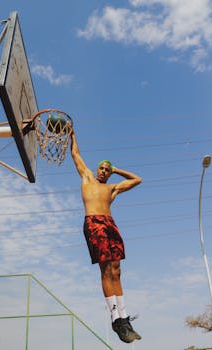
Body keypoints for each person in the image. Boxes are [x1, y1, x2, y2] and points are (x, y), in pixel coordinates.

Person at [70, 129, 142, 343]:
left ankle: (124, 316)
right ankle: (115, 318)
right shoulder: (87, 179)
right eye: (101, 168)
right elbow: (75, 154)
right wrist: (72, 136)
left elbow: (137, 179)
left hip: (110, 224)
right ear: (96, 169)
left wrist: (117, 169)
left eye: (107, 169)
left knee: (117, 270)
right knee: (105, 269)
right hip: (94, 224)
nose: (103, 171)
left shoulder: (113, 189)